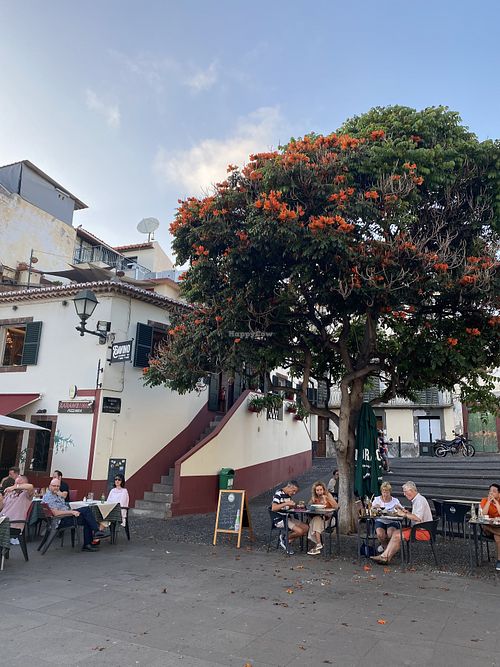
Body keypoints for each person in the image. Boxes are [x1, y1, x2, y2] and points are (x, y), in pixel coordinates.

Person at [371, 481, 432, 564]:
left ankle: (385, 557)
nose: (404, 494)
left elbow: (418, 518)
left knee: (396, 535)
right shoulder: (417, 499)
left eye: (405, 492)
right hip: (419, 528)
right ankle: (385, 555)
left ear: (411, 490)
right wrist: (407, 513)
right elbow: (416, 515)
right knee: (396, 532)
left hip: (423, 531)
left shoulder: (419, 501)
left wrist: (404, 514)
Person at [42, 478, 108, 552]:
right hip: (60, 520)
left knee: (86, 516)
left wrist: (71, 511)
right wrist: (71, 512)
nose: (56, 488)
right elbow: (55, 513)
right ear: (49, 486)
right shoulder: (49, 497)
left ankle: (90, 540)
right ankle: (94, 534)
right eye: (54, 486)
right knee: (86, 511)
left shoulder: (57, 495)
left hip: (65, 517)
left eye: (58, 486)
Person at [271, 480, 308, 555]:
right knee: (300, 531)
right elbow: (273, 508)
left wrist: (296, 506)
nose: (294, 493)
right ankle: (285, 539)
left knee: (306, 528)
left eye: (295, 492)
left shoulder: (288, 495)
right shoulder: (278, 493)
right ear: (289, 487)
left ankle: (286, 539)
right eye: (293, 491)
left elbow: (289, 506)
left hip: (287, 517)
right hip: (280, 519)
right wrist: (286, 503)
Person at [0, 475, 34, 543]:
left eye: (19, 484)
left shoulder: (26, 495)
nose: (16, 485)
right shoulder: (10, 493)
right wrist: (0, 499)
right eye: (15, 483)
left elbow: (30, 486)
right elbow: (1, 508)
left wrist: (16, 487)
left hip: (13, 525)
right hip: (2, 521)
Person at [307, 481, 338, 555]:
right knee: (316, 520)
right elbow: (308, 506)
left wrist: (327, 499)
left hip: (329, 519)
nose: (319, 492)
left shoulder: (328, 495)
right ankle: (318, 544)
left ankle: (317, 545)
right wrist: (312, 502)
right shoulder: (315, 497)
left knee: (314, 522)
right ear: (315, 491)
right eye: (317, 490)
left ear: (324, 490)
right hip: (319, 518)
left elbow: (336, 506)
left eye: (321, 490)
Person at [371, 482, 403, 552]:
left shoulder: (395, 500)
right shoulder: (377, 500)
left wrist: (399, 508)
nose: (385, 494)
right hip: (380, 520)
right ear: (381, 491)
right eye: (383, 492)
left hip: (392, 520)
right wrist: (374, 507)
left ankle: (387, 549)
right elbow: (371, 510)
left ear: (390, 492)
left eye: (387, 492)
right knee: (380, 534)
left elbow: (402, 510)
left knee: (390, 533)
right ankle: (386, 548)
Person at [479, 483, 500, 572]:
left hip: (497, 528)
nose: (491, 493)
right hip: (487, 527)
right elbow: (483, 514)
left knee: (498, 537)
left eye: (494, 492)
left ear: (499, 494)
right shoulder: (484, 500)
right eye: (490, 491)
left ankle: (499, 560)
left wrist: (496, 502)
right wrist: (489, 501)